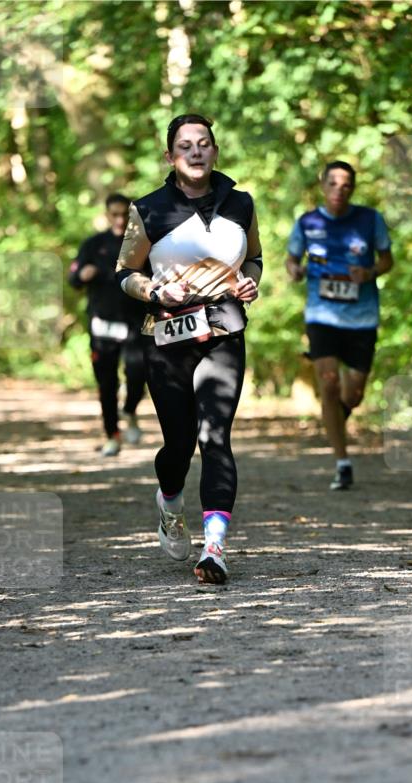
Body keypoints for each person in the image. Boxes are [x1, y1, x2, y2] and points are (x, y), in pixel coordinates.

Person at [116, 113, 261, 584]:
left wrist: (250, 283)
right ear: (170, 156)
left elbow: (254, 259)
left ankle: (215, 549)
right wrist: (155, 293)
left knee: (215, 436)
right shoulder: (148, 209)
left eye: (204, 143)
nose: (196, 151)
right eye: (185, 145)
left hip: (223, 328)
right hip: (168, 337)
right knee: (179, 444)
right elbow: (125, 273)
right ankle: (169, 500)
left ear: (215, 151)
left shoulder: (241, 203)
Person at [287, 161, 393, 489]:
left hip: (362, 318)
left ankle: (333, 421)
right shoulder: (307, 222)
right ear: (323, 186)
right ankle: (342, 462)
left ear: (353, 188)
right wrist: (294, 270)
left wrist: (370, 272)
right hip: (322, 316)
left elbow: (387, 260)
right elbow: (292, 258)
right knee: (329, 383)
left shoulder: (369, 219)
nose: (339, 190)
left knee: (354, 394)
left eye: (346, 185)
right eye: (333, 184)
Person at [68, 193, 147, 456]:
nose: (120, 219)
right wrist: (82, 274)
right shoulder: (93, 245)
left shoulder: (142, 243)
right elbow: (74, 278)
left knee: (138, 372)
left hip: (136, 322)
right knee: (106, 383)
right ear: (106, 215)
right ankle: (112, 434)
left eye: (125, 214)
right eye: (114, 214)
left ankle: (131, 409)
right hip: (102, 324)